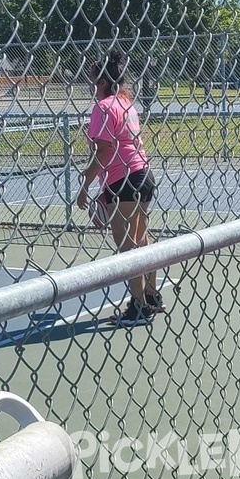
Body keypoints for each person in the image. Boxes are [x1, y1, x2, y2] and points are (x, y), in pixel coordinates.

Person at [75, 49, 160, 326]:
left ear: (100, 82)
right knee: (142, 240)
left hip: (122, 180)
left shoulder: (103, 107)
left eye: (92, 81)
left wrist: (85, 185)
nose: (91, 87)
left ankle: (138, 308)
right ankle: (150, 296)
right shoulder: (127, 103)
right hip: (142, 175)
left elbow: (103, 152)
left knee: (128, 248)